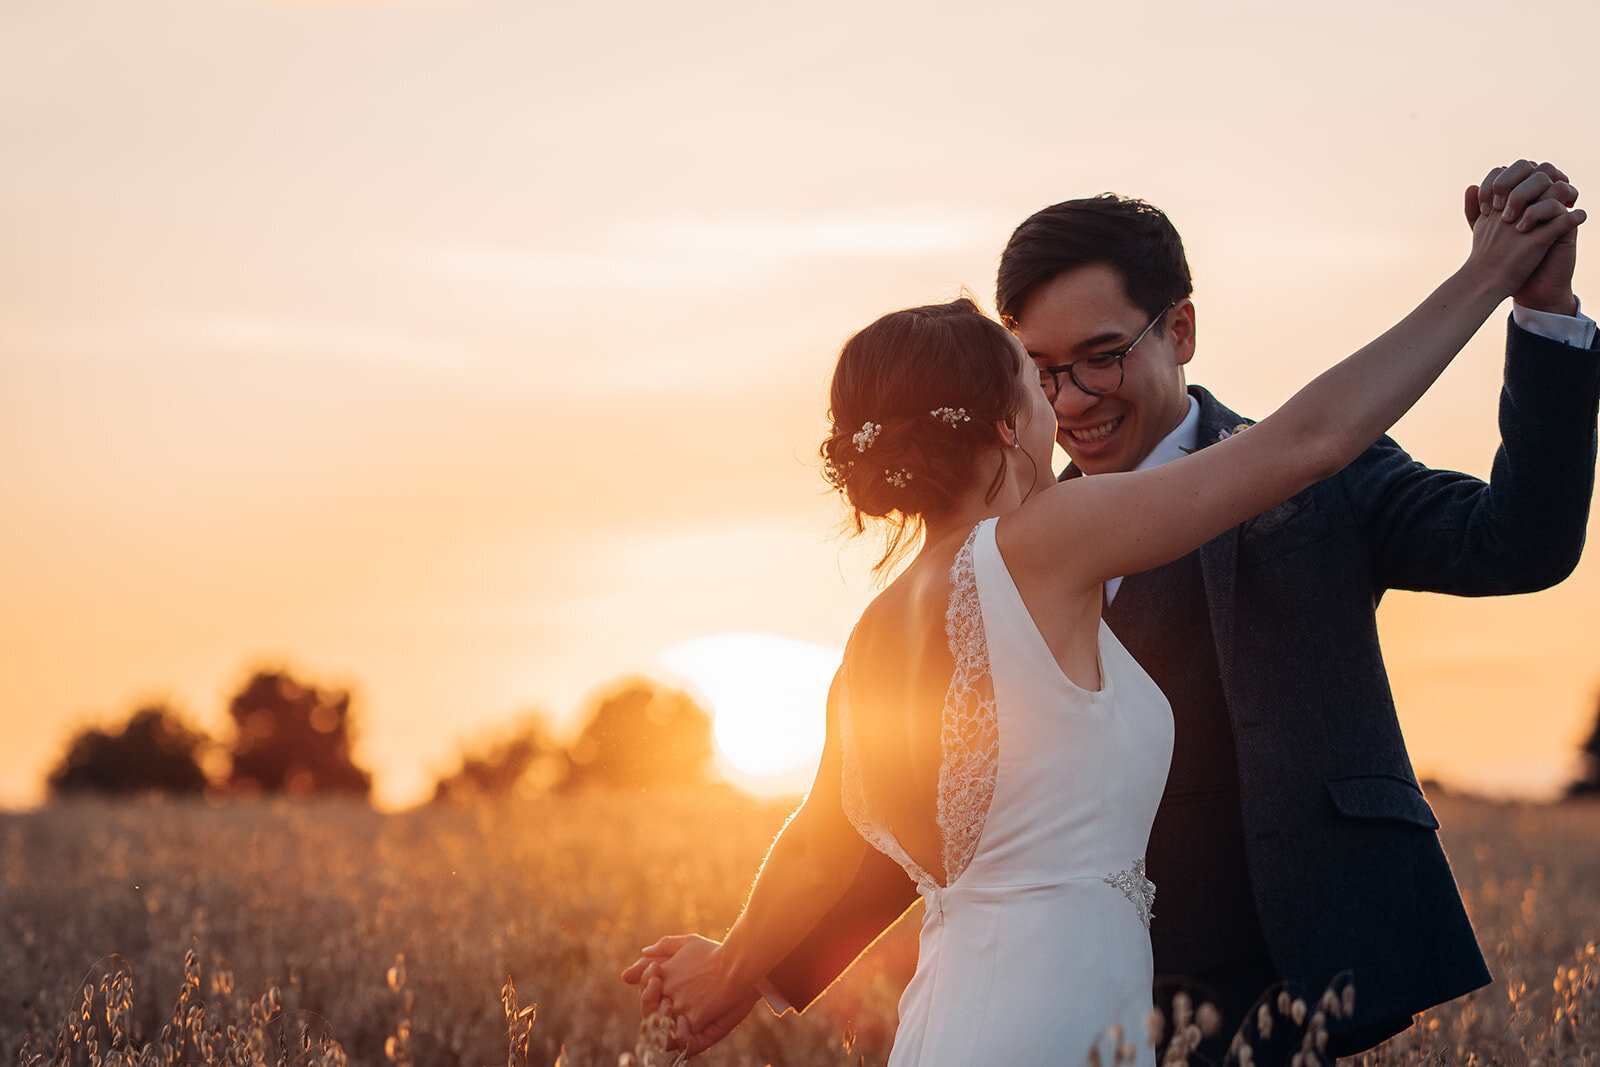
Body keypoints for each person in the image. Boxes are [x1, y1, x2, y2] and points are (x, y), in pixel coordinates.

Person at [624, 165, 1597, 1063]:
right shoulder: (1048, 540)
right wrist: (1481, 276)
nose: (1071, 399)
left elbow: (815, 834)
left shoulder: (883, 619)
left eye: (1098, 357)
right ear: (1005, 412)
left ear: (1177, 330)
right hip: (1072, 998)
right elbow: (1312, 438)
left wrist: (732, 961)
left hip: (1199, 986)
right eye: (1037, 372)